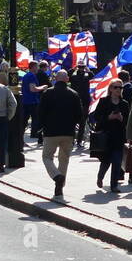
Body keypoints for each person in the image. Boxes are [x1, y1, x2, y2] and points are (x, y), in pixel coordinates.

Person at [38, 68, 84, 200]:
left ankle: (56, 176)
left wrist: (42, 126)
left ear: (55, 79)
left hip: (51, 132)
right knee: (64, 160)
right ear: (67, 80)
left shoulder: (48, 93)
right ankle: (59, 189)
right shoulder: (74, 94)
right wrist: (73, 124)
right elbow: (79, 115)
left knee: (47, 157)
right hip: (68, 132)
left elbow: (41, 112)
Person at [90, 79, 130, 193]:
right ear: (111, 89)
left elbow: (128, 121)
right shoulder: (103, 101)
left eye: (120, 87)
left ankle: (114, 185)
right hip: (105, 136)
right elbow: (96, 117)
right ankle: (100, 176)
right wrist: (108, 118)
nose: (118, 90)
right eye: (116, 87)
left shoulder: (124, 103)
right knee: (106, 161)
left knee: (117, 161)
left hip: (118, 136)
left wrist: (122, 119)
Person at [21, 61, 51, 146]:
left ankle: (20, 139)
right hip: (33, 101)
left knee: (24, 121)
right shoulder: (32, 76)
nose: (38, 68)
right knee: (37, 119)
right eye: (37, 66)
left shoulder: (26, 75)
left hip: (26, 100)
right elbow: (32, 89)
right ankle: (36, 136)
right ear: (33, 67)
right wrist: (43, 87)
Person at [70, 63, 92, 147]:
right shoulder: (85, 77)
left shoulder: (74, 77)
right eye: (81, 67)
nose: (81, 68)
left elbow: (69, 74)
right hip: (81, 102)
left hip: (78, 102)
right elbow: (92, 75)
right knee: (81, 122)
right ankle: (78, 141)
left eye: (82, 67)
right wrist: (87, 69)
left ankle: (73, 140)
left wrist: (74, 68)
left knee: (75, 122)